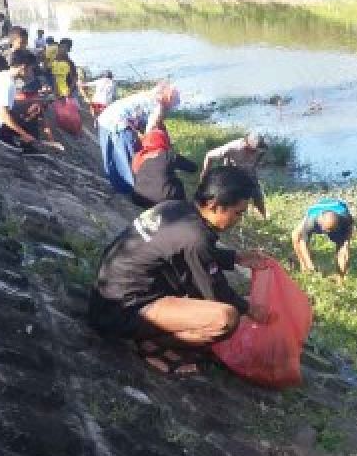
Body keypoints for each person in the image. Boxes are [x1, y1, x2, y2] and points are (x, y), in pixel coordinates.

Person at [88, 166, 271, 375]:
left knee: (192, 289)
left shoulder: (175, 209)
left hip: (106, 296)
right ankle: (153, 344)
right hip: (121, 313)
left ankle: (152, 334)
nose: (238, 221)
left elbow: (191, 253)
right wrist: (248, 309)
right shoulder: (195, 238)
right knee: (225, 318)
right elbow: (215, 292)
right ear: (213, 205)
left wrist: (236, 258)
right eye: (238, 213)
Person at [97, 82, 180, 194]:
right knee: (128, 159)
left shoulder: (146, 95)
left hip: (105, 118)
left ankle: (116, 185)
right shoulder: (157, 107)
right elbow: (149, 133)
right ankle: (132, 190)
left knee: (110, 156)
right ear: (168, 99)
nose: (170, 109)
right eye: (172, 104)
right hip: (119, 124)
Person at [0, 49, 40, 150]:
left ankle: (25, 141)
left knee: (31, 111)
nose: (31, 73)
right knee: (29, 122)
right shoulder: (8, 83)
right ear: (23, 67)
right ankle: (19, 141)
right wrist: (24, 134)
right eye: (31, 69)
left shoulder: (3, 74)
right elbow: (3, 114)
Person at [202, 131, 269, 217]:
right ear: (246, 144)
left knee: (257, 195)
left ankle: (264, 217)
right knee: (227, 196)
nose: (255, 152)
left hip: (249, 173)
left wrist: (253, 166)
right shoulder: (232, 147)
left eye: (257, 150)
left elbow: (261, 155)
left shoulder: (261, 149)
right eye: (253, 150)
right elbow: (209, 156)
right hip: (232, 173)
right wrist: (205, 174)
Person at [131, 128, 198, 209]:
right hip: (161, 200)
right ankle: (182, 209)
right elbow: (193, 168)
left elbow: (138, 173)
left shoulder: (138, 156)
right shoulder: (168, 155)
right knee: (178, 183)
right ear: (164, 140)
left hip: (139, 198)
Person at [292, 198, 353, 281]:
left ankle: (340, 278)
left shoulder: (345, 219)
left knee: (343, 249)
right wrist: (310, 265)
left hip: (339, 210)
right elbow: (303, 242)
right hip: (316, 212)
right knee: (295, 235)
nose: (327, 232)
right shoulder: (311, 220)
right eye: (325, 229)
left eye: (330, 230)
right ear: (320, 222)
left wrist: (345, 246)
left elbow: (347, 238)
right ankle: (304, 267)